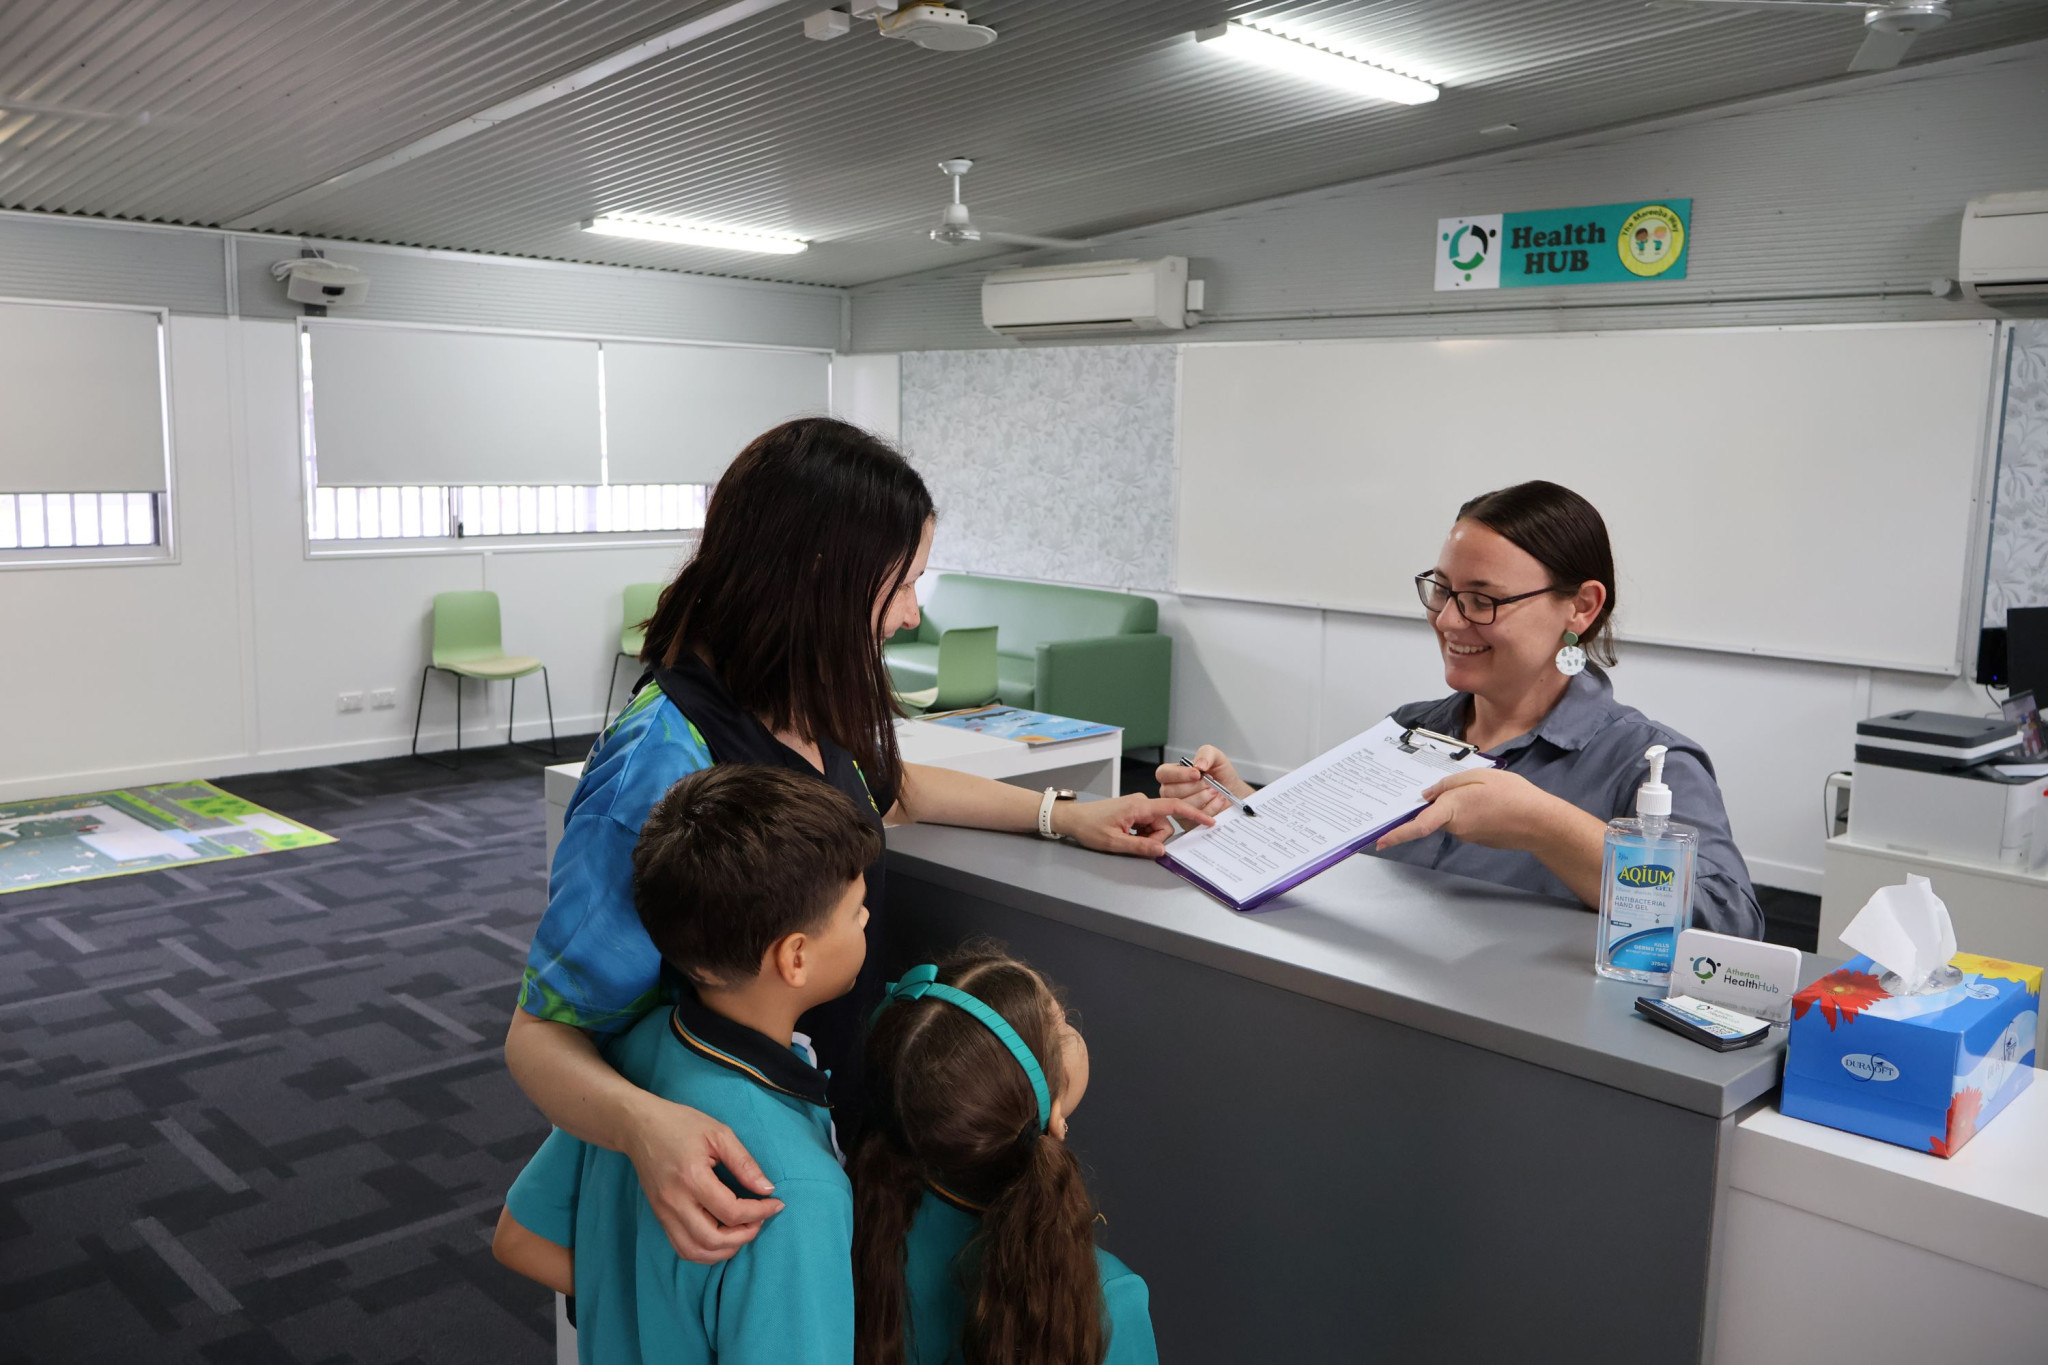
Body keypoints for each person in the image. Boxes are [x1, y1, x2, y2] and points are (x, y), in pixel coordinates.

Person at [508, 418, 1211, 1264]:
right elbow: (541, 1034)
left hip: (827, 1122)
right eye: (904, 584)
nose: (913, 615)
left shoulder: (803, 690)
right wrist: (646, 1128)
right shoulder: (664, 758)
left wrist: (1062, 813)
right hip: (728, 1168)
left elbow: (889, 787)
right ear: (821, 576)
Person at [1161, 480, 1762, 938]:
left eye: (1483, 600)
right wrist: (1238, 808)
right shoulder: (1411, 729)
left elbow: (1730, 927)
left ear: (1580, 607)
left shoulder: (1645, 762)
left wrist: (1547, 828)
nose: (1448, 620)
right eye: (1443, 591)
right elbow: (1337, 868)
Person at [493, 764, 874, 1362]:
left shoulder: (634, 1051)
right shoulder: (795, 1190)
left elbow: (520, 1240)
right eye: (857, 909)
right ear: (795, 958)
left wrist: (649, 1313)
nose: (867, 919)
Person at [852, 947, 1157, 1365]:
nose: (1070, 1021)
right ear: (1051, 1122)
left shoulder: (856, 1222)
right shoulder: (1107, 1301)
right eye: (1061, 1022)